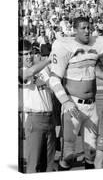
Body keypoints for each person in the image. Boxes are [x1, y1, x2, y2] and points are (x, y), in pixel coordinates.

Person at [49, 17, 103, 170]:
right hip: (73, 106)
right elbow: (54, 79)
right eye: (83, 28)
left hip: (92, 106)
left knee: (91, 152)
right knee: (68, 154)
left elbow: (98, 71)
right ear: (75, 30)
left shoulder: (98, 44)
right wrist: (66, 101)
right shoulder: (65, 46)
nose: (87, 31)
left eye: (89, 27)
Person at [18, 39, 56, 173]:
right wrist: (48, 60)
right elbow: (29, 73)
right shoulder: (20, 71)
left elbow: (54, 84)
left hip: (50, 118)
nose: (28, 57)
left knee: (49, 165)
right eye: (23, 54)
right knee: (33, 165)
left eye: (29, 53)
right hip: (35, 119)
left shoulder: (41, 69)